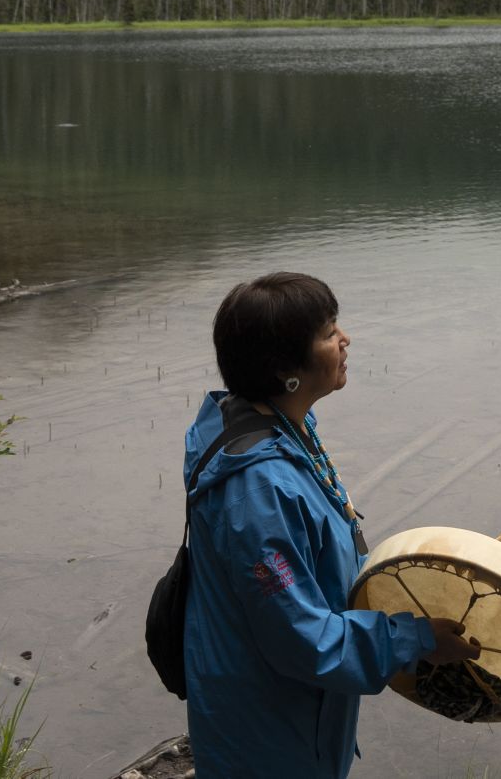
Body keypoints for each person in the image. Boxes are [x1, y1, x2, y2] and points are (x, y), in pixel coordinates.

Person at [183, 272, 480, 777]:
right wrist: (416, 640)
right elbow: (301, 640)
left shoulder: (277, 426)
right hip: (267, 737)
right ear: (284, 368)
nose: (345, 339)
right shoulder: (258, 492)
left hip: (294, 716)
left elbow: (315, 562)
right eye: (327, 333)